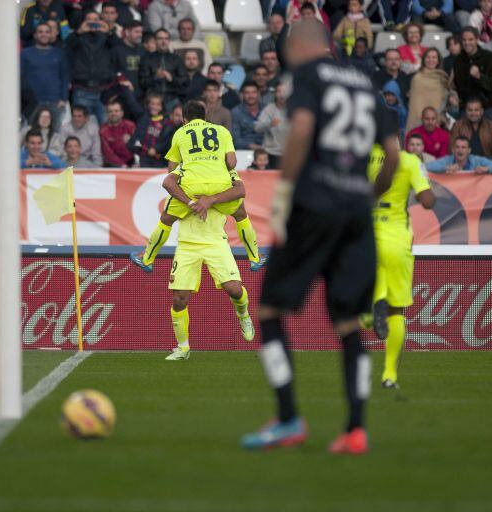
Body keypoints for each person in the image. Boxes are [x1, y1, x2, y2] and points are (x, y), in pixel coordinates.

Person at [240, 19, 400, 455]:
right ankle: (355, 430)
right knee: (349, 323)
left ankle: (289, 418)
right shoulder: (366, 84)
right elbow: (394, 155)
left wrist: (285, 194)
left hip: (313, 203)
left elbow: (304, 128)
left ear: (295, 46)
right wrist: (368, 196)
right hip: (355, 214)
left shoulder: (307, 76)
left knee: (271, 309)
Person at [131, 100, 266, 275]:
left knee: (166, 219)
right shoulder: (222, 131)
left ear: (184, 120)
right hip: (220, 185)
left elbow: (171, 168)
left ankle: (147, 258)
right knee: (241, 214)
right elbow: (232, 163)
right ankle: (255, 257)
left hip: (191, 186)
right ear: (205, 117)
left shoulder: (180, 133)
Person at [364, 143, 436, 389]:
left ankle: (370, 311)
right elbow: (427, 201)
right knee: (397, 312)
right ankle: (389, 375)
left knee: (367, 293)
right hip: (397, 240)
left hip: (367, 238)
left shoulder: (362, 154)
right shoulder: (409, 161)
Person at [162, 182, 255, 361]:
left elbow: (240, 205)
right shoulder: (182, 185)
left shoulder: (224, 181)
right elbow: (165, 218)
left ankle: (243, 314)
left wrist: (211, 200)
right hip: (187, 245)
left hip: (216, 243)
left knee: (234, 289)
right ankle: (183, 348)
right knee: (179, 298)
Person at [66, 10, 119, 125]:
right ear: (83, 22)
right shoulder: (77, 37)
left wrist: (109, 32)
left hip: (104, 91)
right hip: (82, 89)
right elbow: (67, 46)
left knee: (106, 127)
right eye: (89, 19)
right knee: (81, 128)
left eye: (96, 20)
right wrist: (79, 32)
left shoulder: (107, 37)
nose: (92, 22)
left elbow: (118, 47)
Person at [20, 23, 69, 129]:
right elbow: (20, 77)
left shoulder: (59, 53)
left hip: (55, 102)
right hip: (32, 102)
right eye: (40, 32)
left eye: (47, 32)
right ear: (35, 35)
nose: (44, 34)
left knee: (55, 134)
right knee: (31, 133)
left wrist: (63, 99)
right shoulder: (25, 54)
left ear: (51, 35)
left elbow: (64, 77)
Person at [139, 28, 188, 111]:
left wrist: (171, 78)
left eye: (166, 38)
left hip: (173, 100)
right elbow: (143, 82)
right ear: (155, 41)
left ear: (169, 41)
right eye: (160, 38)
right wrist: (156, 77)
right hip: (153, 102)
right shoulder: (147, 59)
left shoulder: (176, 59)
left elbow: (184, 80)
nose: (163, 41)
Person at [453, 27, 492, 113]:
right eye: (464, 40)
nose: (467, 43)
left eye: (470, 39)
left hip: (487, 107)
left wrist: (479, 76)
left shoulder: (489, 57)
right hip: (466, 108)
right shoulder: (458, 60)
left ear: (477, 39)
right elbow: (458, 86)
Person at [405, 48, 451, 132]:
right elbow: (414, 104)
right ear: (424, 60)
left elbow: (445, 99)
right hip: (417, 120)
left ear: (438, 60)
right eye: (428, 57)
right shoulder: (417, 78)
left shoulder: (443, 78)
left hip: (437, 121)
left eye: (434, 57)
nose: (431, 60)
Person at [128, 93, 171, 167]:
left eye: (158, 104)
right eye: (152, 104)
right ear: (148, 105)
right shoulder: (143, 118)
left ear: (162, 107)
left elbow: (166, 140)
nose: (155, 107)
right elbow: (138, 136)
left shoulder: (166, 122)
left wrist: (156, 149)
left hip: (159, 158)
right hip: (143, 157)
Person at [254, 82, 289, 169]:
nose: (282, 94)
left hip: (289, 153)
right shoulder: (269, 109)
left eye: (284, 91)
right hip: (271, 154)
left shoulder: (294, 109)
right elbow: (257, 128)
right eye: (279, 91)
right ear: (275, 94)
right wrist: (270, 124)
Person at [426, 136, 492, 173]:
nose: (460, 150)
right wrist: (446, 168)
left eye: (463, 147)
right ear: (453, 150)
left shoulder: (476, 160)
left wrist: (486, 169)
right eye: (457, 147)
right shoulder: (447, 160)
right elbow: (425, 167)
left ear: (469, 150)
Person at [100, 99, 136, 167]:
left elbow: (138, 145)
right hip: (113, 164)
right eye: (110, 111)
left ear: (122, 113)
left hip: (132, 162)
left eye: (116, 111)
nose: (113, 114)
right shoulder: (103, 130)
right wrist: (122, 165)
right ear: (107, 114)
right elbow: (108, 153)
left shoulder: (130, 125)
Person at [231, 81, 264, 150]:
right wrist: (253, 146)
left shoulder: (266, 110)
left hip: (266, 151)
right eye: (247, 93)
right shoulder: (235, 112)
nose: (250, 96)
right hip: (244, 151)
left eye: (253, 92)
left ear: (258, 94)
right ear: (242, 95)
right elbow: (235, 140)